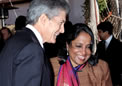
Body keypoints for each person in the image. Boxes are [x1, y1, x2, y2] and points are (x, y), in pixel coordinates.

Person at [0, 0, 70, 86]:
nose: (62, 30)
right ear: (43, 19)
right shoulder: (32, 49)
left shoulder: (16, 40)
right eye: (60, 23)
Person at [96, 21, 122, 86]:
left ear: (106, 32)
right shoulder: (100, 45)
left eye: (100, 32)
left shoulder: (118, 45)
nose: (98, 34)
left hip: (115, 81)